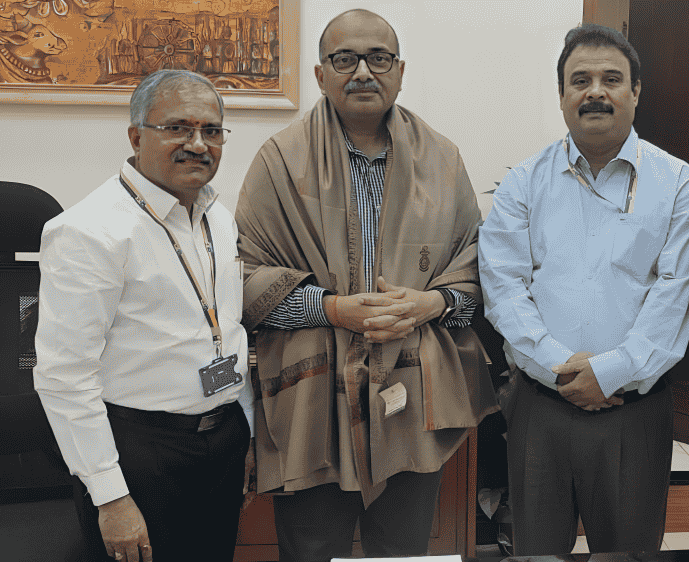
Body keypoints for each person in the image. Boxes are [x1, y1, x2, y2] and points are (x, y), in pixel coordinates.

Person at [234, 9, 498, 562]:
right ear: (320, 74)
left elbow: (478, 267)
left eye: (378, 58)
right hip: (313, 403)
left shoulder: (443, 160)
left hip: (411, 395)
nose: (362, 72)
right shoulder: (279, 161)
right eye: (345, 59)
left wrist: (430, 303)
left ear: (400, 71)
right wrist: (333, 309)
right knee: (310, 550)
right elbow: (243, 276)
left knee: (401, 552)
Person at [479, 24, 689, 556]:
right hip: (541, 406)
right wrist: (561, 368)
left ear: (636, 91)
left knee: (628, 553)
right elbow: (504, 288)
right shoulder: (524, 182)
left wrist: (611, 371)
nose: (595, 92)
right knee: (538, 552)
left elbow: (676, 291)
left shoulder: (678, 183)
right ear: (562, 95)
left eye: (611, 79)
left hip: (634, 409)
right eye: (580, 80)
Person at [33, 69, 253, 562]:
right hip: (139, 450)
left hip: (222, 437)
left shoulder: (218, 218)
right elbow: (64, 375)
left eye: (212, 131)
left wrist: (247, 431)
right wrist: (110, 495)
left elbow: (228, 331)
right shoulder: (89, 231)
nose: (198, 144)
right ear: (136, 137)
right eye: (177, 128)